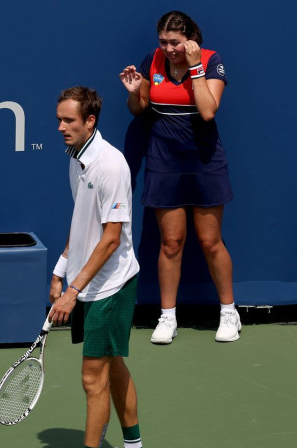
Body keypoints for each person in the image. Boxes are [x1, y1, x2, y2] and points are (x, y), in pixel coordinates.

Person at [119, 10, 240, 344]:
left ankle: (229, 312)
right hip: (164, 162)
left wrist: (196, 67)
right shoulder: (152, 61)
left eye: (175, 42)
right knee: (171, 243)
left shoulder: (212, 61)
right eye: (163, 42)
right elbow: (140, 108)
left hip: (205, 162)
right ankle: (167, 317)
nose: (169, 49)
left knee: (209, 241)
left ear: (190, 38)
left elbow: (207, 110)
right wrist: (133, 92)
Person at [49, 87, 142, 448]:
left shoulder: (111, 165)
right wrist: (61, 270)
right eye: (58, 119)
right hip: (86, 281)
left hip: (110, 286)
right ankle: (134, 444)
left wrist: (73, 291)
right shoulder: (76, 157)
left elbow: (110, 239)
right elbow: (82, 224)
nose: (60, 127)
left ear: (90, 121)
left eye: (68, 120)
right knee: (112, 365)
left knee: (92, 377)